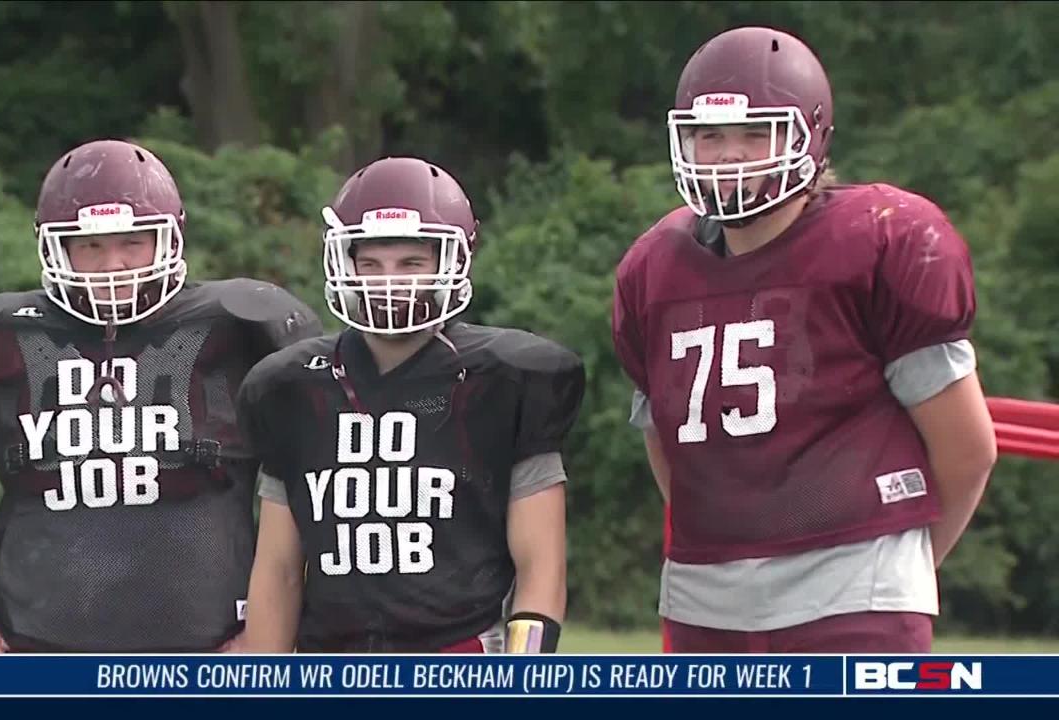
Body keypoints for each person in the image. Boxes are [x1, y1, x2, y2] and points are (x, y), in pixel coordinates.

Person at [611, 26, 998, 653]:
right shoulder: (652, 270)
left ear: (806, 136)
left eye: (753, 132)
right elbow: (670, 456)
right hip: (705, 594)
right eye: (710, 136)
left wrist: (896, 575)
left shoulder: (882, 240)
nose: (731, 156)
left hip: (854, 591)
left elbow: (967, 450)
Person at [0, 138, 323, 653]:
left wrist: (266, 636)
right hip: (43, 668)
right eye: (90, 245)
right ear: (55, 247)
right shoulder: (7, 343)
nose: (113, 263)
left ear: (170, 239)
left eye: (132, 241)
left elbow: (323, 489)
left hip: (206, 668)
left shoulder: (238, 333)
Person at [234, 156, 585, 653]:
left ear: (452, 263)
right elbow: (279, 569)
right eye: (371, 264)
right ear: (343, 262)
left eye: (411, 263)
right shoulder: (291, 387)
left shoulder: (505, 379)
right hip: (330, 662)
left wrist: (522, 676)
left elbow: (541, 565)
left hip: (455, 658)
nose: (389, 282)